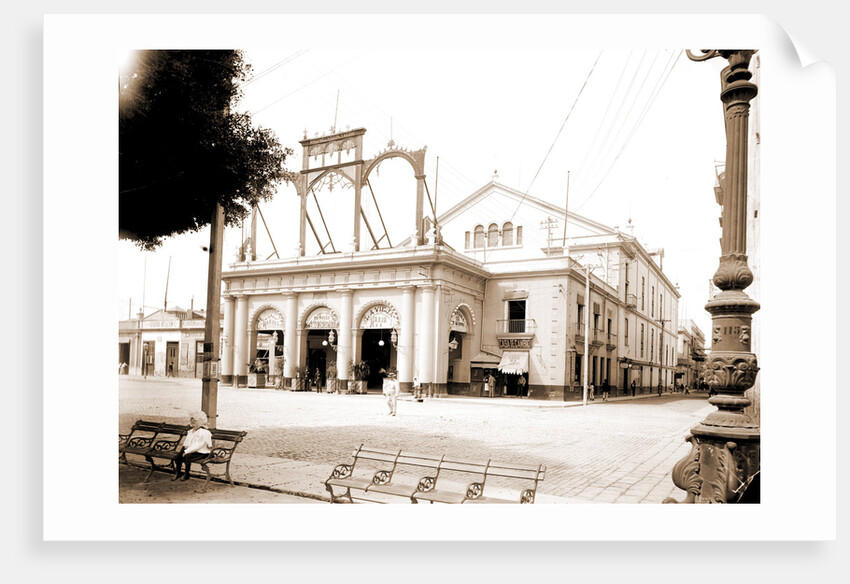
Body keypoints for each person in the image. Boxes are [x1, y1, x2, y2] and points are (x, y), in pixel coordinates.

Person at [172, 411, 213, 481]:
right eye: (191, 423)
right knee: (178, 457)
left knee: (187, 456)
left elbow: (198, 445)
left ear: (200, 422)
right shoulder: (191, 431)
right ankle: (178, 472)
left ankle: (187, 473)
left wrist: (187, 451)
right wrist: (185, 447)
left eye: (194, 423)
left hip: (202, 452)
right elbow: (187, 441)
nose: (192, 425)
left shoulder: (204, 432)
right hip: (192, 450)